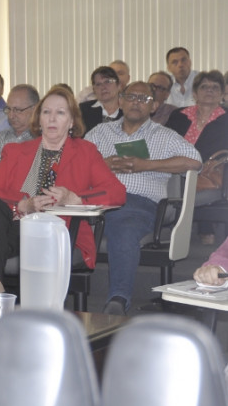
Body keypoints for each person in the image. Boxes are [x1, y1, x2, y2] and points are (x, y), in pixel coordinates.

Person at [0, 86, 126, 281]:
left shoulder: (86, 152)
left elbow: (117, 192)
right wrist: (23, 205)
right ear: (38, 119)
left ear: (72, 121)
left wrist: (75, 199)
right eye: (46, 112)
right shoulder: (15, 151)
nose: (51, 118)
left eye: (60, 113)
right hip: (16, 226)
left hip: (60, 229)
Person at [85, 81, 202, 315]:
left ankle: (118, 299)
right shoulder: (99, 132)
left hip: (139, 204)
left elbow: (195, 161)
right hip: (96, 203)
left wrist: (146, 165)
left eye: (144, 99)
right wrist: (101, 164)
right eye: (130, 97)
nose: (136, 102)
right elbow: (75, 164)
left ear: (154, 106)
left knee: (124, 224)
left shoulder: (165, 135)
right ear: (120, 101)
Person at [165, 70, 228, 245]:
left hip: (208, 177)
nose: (209, 90)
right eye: (204, 86)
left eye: (215, 87)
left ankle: (172, 232)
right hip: (174, 174)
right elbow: (165, 144)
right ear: (194, 93)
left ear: (222, 94)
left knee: (174, 199)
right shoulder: (179, 115)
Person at [0, 84, 38, 186]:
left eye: (17, 110)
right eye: (9, 109)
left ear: (34, 109)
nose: (11, 115)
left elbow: (34, 180)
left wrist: (0, 178)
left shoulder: (42, 140)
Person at [79, 66, 123, 133]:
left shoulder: (128, 110)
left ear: (118, 85)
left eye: (108, 82)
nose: (103, 87)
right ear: (93, 89)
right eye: (98, 84)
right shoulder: (83, 110)